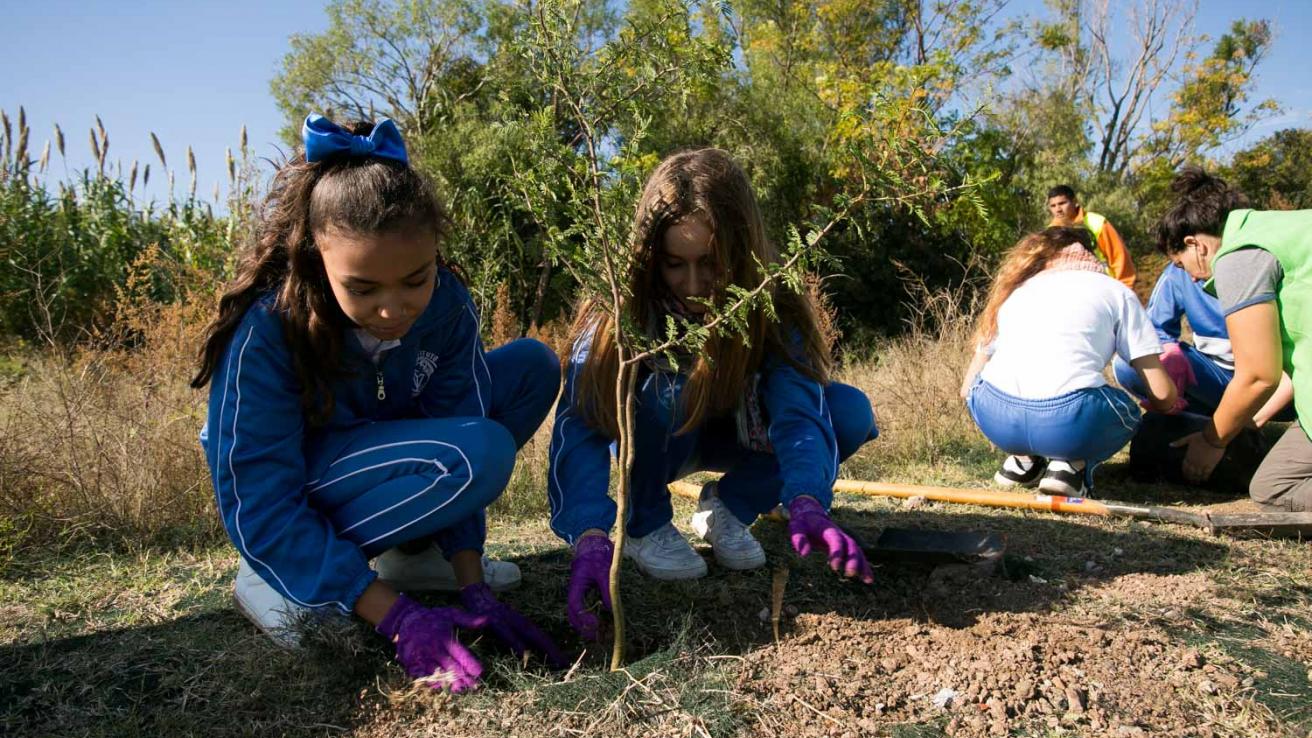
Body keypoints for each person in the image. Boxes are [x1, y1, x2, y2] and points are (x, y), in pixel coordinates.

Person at [193, 114, 563, 692]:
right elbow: (256, 495)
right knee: (478, 452)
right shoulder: (270, 330)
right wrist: (395, 615)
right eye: (362, 289)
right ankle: (273, 574)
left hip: (386, 452)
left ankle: (416, 552)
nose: (393, 310)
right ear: (317, 259)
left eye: (415, 280)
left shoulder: (447, 304)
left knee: (530, 368)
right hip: (296, 492)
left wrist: (472, 583)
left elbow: (459, 416)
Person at [547, 148, 878, 641]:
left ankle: (730, 506)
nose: (693, 285)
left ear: (741, 253)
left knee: (847, 413)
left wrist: (807, 497)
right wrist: (590, 533)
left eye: (710, 264)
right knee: (670, 386)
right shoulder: (616, 308)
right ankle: (644, 523)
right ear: (650, 257)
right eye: (674, 265)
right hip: (656, 435)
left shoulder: (770, 300)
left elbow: (798, 410)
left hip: (734, 432)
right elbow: (583, 422)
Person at [960, 226, 1177, 496]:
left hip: (997, 419)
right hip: (1067, 422)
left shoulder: (1013, 292)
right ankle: (1070, 465)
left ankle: (1022, 461)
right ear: (1090, 255)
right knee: (1129, 413)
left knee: (998, 393)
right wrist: (1170, 405)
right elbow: (1162, 394)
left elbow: (967, 390)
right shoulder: (1115, 292)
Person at [1156, 166, 1309, 512]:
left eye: (1180, 265)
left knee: (1274, 488)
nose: (1191, 279)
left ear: (1195, 244)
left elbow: (1258, 375)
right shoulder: (1284, 230)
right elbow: (1293, 367)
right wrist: (1248, 420)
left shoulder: (1239, 256)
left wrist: (1212, 441)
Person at [1047, 184, 1137, 289]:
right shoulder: (1049, 232)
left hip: (1104, 287)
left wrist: (1126, 289)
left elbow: (1119, 258)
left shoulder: (1097, 222)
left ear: (1075, 201)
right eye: (1053, 206)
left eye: (1062, 203)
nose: (1058, 209)